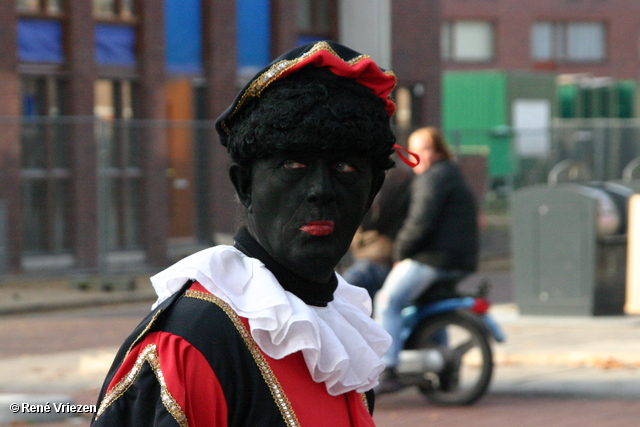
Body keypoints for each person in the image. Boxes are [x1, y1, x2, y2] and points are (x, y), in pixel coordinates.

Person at [90, 41, 399, 426]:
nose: (320, 189)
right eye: (294, 164)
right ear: (245, 186)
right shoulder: (193, 343)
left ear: (372, 190)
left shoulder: (346, 332)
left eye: (345, 167)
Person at [374, 127, 479, 394]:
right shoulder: (451, 174)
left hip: (435, 259)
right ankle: (442, 367)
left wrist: (400, 253)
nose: (415, 157)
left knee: (387, 301)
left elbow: (420, 222)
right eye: (411, 151)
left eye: (422, 150)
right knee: (430, 308)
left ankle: (388, 368)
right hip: (458, 259)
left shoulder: (432, 179)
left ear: (437, 152)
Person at [341, 163, 412, 300]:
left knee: (341, 292)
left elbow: (372, 220)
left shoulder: (392, 180)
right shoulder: (395, 177)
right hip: (374, 257)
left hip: (378, 257)